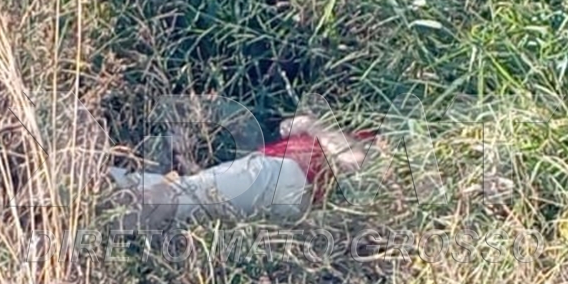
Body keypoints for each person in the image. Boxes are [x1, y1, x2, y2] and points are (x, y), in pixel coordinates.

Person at [106, 114, 376, 229]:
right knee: (192, 192)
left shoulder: (352, 142)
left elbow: (356, 159)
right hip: (281, 180)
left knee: (188, 194)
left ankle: (109, 208)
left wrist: (315, 126)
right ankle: (109, 198)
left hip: (285, 175)